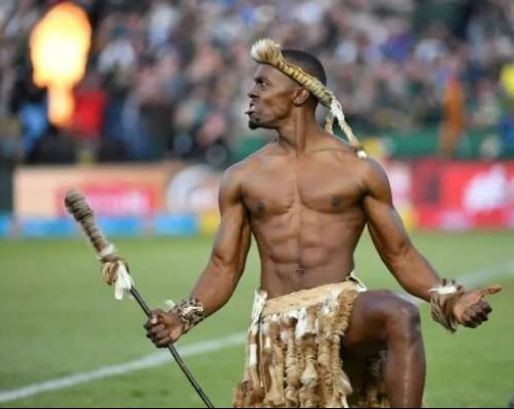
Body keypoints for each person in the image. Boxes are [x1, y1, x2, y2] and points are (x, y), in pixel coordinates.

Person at [102, 39, 500, 408]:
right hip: (278, 323)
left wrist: (449, 298)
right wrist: (182, 317)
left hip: (342, 308)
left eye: (262, 83)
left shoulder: (358, 170)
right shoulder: (242, 177)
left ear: (298, 93)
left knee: (399, 314)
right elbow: (224, 266)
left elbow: (401, 254)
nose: (251, 93)